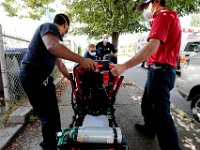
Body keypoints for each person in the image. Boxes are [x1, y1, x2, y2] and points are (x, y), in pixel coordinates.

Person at [19, 13, 97, 150]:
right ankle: (50, 146)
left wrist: (71, 78)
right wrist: (81, 59)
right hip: (32, 78)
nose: (66, 32)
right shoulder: (48, 27)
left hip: (44, 80)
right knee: (47, 117)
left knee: (54, 115)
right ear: (65, 25)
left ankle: (57, 138)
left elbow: (60, 64)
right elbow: (52, 46)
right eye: (68, 28)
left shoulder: (54, 40)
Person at [111, 0, 182, 150]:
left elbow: (151, 47)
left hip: (160, 72)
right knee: (147, 105)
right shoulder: (167, 17)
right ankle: (150, 129)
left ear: (156, 1)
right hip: (158, 71)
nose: (144, 10)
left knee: (161, 115)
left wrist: (124, 66)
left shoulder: (163, 16)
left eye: (145, 6)